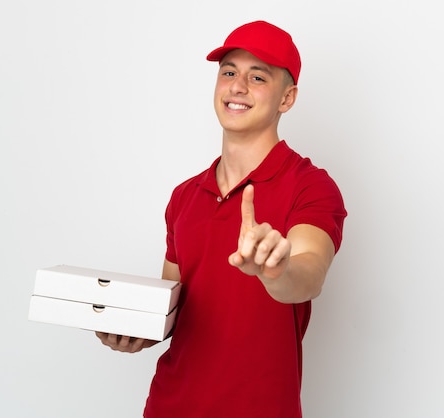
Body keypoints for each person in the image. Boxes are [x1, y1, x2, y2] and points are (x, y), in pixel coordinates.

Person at [96, 20, 347, 417]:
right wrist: (134, 332)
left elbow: (309, 274)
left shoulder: (311, 186)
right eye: (228, 72)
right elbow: (171, 309)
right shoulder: (184, 196)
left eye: (257, 77)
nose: (237, 86)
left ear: (287, 98)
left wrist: (275, 270)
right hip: (168, 406)